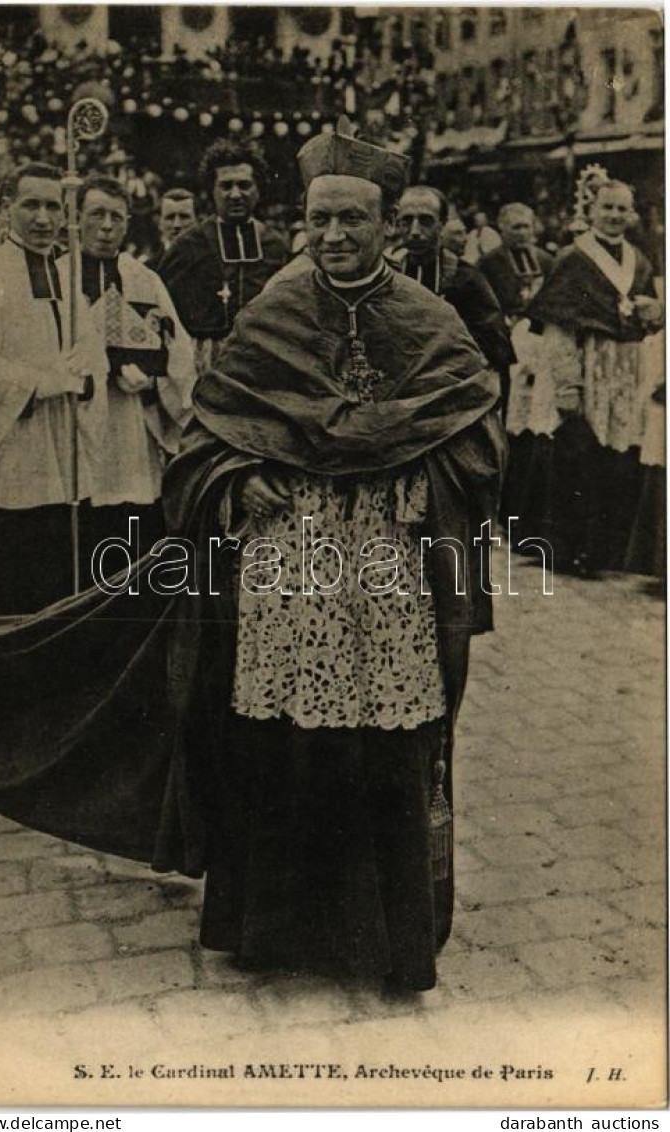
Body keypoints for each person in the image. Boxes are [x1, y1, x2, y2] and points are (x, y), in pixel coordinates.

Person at [158, 118, 507, 990]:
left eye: (354, 220)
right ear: (301, 223)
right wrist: (240, 483)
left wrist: (420, 473)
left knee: (383, 745)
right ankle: (279, 934)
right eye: (320, 220)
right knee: (282, 740)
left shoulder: (430, 319)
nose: (336, 236)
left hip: (387, 560)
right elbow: (202, 438)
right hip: (289, 562)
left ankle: (381, 943)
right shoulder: (274, 307)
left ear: (388, 224)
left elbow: (481, 441)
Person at [0, 162, 105, 614]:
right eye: (31, 205)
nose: (44, 218)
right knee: (14, 593)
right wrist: (40, 383)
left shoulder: (68, 276)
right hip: (11, 461)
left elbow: (91, 350)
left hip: (65, 460)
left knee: (62, 587)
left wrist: (85, 368)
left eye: (53, 206)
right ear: (7, 207)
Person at [523, 177, 663, 574]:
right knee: (576, 459)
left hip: (624, 371)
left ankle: (607, 550)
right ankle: (571, 550)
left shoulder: (638, 258)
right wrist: (568, 386)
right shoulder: (574, 258)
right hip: (585, 366)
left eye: (622, 208)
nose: (615, 216)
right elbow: (558, 330)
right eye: (608, 207)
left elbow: (646, 319)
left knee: (616, 461)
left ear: (632, 214)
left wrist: (656, 311)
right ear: (592, 211)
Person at [67, 174, 194, 568]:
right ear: (76, 218)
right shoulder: (58, 277)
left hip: (131, 427)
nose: (107, 227)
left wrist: (155, 383)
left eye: (116, 218)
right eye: (96, 215)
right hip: (74, 422)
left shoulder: (145, 279)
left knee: (132, 533)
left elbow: (179, 352)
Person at [158, 139, 289, 376]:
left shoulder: (276, 247)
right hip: (200, 368)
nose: (235, 194)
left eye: (244, 185)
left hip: (263, 365)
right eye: (226, 186)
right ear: (212, 191)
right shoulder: (187, 246)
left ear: (258, 189)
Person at [389, 184, 514, 413]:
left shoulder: (466, 279)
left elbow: (494, 350)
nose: (415, 231)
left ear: (442, 224)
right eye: (406, 221)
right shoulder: (388, 276)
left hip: (454, 398)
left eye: (426, 221)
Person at [478, 204, 555, 518]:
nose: (523, 234)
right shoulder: (488, 264)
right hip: (507, 348)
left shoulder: (547, 260)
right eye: (515, 228)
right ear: (502, 229)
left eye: (527, 227)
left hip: (539, 346)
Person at [145, 189, 196, 272]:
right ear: (159, 223)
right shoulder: (147, 270)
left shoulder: (211, 265)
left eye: (184, 217)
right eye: (170, 217)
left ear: (197, 222)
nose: (177, 224)